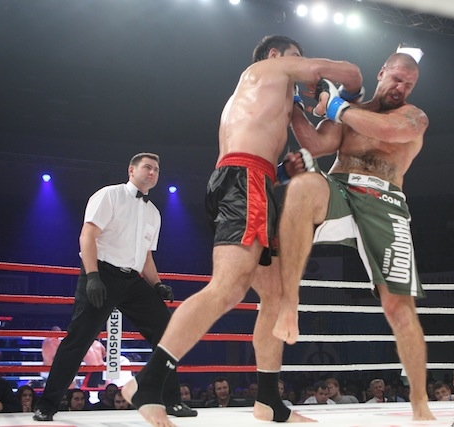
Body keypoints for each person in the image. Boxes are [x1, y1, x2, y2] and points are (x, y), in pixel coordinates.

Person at [122, 35, 362, 426]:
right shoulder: (267, 68)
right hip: (245, 178)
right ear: (276, 55)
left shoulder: (282, 97)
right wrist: (338, 93)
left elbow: (316, 145)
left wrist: (325, 108)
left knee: (276, 294)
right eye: (296, 57)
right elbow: (348, 72)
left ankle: (268, 400)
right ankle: (147, 384)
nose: (300, 63)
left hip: (258, 183)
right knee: (227, 288)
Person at [273, 51, 434, 421]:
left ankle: (420, 401)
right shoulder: (351, 111)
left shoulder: (413, 117)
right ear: (382, 72)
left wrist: (337, 107)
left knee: (399, 308)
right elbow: (315, 145)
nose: (401, 88)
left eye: (409, 84)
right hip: (341, 189)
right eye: (397, 78)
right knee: (303, 186)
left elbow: (389, 131)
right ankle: (289, 300)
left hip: (385, 201)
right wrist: (294, 104)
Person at [33, 153, 196, 421]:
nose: (153, 172)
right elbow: (88, 235)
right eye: (147, 167)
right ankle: (47, 405)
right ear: (131, 170)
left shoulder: (153, 213)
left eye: (156, 169)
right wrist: (92, 276)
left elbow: (145, 256)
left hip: (133, 280)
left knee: (168, 333)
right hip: (102, 273)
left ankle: (171, 401)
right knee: (79, 339)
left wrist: (157, 284)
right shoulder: (109, 195)